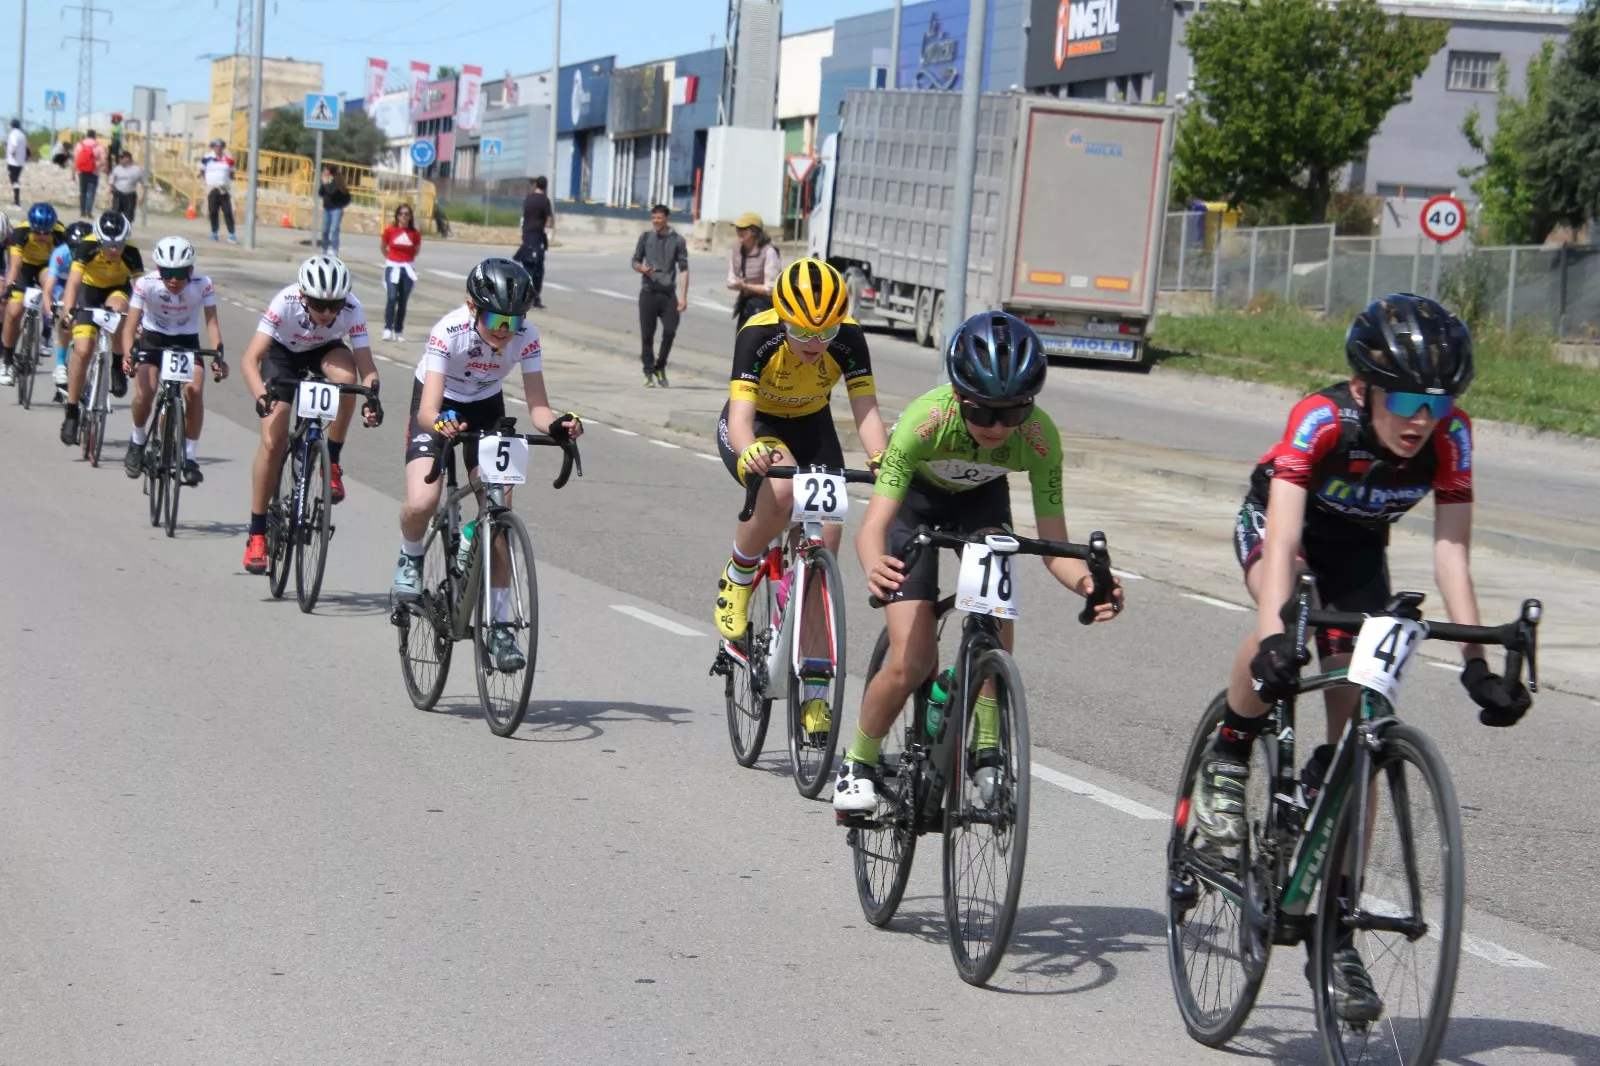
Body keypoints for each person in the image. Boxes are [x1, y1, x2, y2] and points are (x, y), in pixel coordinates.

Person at [1186, 293, 1533, 1023]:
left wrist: (1476, 666)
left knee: (1358, 746)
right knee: (1281, 625)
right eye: (1405, 398)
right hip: (1286, 534)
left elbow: (1451, 554)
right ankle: (1228, 753)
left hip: (1358, 556)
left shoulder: (1451, 437)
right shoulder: (1321, 419)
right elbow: (1279, 544)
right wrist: (1282, 635)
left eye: (1436, 404)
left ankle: (1333, 931)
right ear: (1364, 387)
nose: (1420, 419)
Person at [837, 310, 1124, 813]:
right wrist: (873, 563)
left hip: (981, 504)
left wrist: (1087, 583)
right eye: (984, 412)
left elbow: (1054, 545)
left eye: (1012, 414)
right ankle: (857, 763)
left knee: (998, 583)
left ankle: (986, 747)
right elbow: (874, 527)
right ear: (957, 399)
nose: (997, 427)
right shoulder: (923, 424)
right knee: (912, 659)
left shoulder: (1039, 439)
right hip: (916, 506)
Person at [712, 258, 890, 745]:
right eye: (801, 331)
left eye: (826, 332)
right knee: (784, 490)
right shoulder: (758, 334)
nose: (815, 345)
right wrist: (750, 450)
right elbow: (742, 417)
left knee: (825, 546)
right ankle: (741, 569)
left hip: (813, 427)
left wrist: (882, 461)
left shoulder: (850, 339)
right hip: (757, 425)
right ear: (782, 317)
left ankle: (814, 690)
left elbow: (866, 412)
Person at [390, 259, 583, 669]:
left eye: (513, 321)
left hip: (485, 406)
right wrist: (441, 422)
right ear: (472, 307)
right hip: (439, 402)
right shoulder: (449, 331)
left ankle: (500, 626)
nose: (503, 329)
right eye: (495, 318)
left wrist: (561, 425)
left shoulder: (526, 337)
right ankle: (410, 555)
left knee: (498, 509)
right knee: (423, 502)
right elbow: (427, 410)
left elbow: (538, 407)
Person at [237, 255, 382, 574]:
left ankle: (331, 459)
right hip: (281, 356)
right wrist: (262, 396)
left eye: (335, 305)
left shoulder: (352, 308)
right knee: (273, 443)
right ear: (303, 297)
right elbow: (250, 359)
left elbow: (367, 366)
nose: (328, 312)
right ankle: (257, 533)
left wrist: (373, 397)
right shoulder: (284, 303)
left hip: (324, 352)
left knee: (347, 381)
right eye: (319, 304)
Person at [122, 236, 228, 486]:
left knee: (194, 390)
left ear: (191, 270)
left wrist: (218, 355)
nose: (173, 280)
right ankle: (137, 440)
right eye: (167, 273)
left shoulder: (203, 284)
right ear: (158, 270)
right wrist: (129, 353)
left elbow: (212, 324)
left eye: (180, 274)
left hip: (186, 342)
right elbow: (129, 326)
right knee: (144, 394)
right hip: (152, 341)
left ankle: (189, 457)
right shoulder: (145, 284)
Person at [58, 211, 144, 445]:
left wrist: (142, 321)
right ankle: (72, 413)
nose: (114, 250)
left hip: (116, 290)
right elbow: (73, 282)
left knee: (121, 310)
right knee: (83, 351)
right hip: (89, 292)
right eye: (108, 244)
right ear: (99, 239)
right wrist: (68, 312)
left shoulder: (132, 253)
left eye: (118, 244)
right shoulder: (87, 247)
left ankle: (116, 364)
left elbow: (140, 290)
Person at [0, 203, 66, 387]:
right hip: (25, 268)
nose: (43, 236)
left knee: (50, 289)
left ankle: (47, 334)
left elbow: (63, 264)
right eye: (38, 232)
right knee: (14, 311)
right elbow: (14, 266)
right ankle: (7, 359)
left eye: (46, 232)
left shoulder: (60, 234)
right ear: (31, 227)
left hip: (48, 267)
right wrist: (8, 288)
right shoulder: (20, 233)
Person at [631, 204, 688, 387]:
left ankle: (660, 365)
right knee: (647, 335)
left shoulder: (678, 240)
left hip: (668, 294)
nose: (656, 221)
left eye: (659, 218)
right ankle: (648, 372)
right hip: (648, 292)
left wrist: (683, 296)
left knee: (670, 330)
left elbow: (684, 269)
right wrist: (641, 268)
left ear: (666, 219)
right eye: (654, 217)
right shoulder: (645, 237)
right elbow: (635, 261)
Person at [43, 220, 94, 397]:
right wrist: (50, 312)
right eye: (74, 249)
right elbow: (48, 288)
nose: (77, 253)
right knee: (67, 307)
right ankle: (60, 364)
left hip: (84, 285)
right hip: (62, 286)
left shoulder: (94, 255)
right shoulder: (60, 253)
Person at [727, 212, 779, 330]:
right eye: (737, 228)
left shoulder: (769, 251)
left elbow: (771, 288)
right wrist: (736, 284)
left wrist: (746, 286)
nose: (738, 231)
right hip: (745, 305)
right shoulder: (737, 250)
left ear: (754, 232)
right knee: (742, 345)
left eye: (743, 228)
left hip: (764, 308)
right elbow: (730, 280)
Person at [380, 203, 421, 342]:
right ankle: (387, 328)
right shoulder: (390, 231)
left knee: (403, 301)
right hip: (393, 267)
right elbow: (383, 246)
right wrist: (391, 259)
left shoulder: (414, 233)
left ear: (410, 217)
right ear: (397, 216)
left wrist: (406, 260)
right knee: (392, 297)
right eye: (401, 213)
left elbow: (416, 249)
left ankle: (398, 330)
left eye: (407, 214)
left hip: (407, 268)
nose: (404, 216)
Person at [514, 176, 553, 309]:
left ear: (536, 185)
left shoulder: (528, 199)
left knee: (530, 267)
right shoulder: (545, 201)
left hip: (526, 236)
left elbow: (524, 216)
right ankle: (522, 297)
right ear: (546, 186)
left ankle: (532, 298)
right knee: (535, 271)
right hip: (537, 238)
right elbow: (549, 221)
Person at [200, 140, 237, 244]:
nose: (218, 148)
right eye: (216, 146)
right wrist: (207, 180)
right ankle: (214, 232)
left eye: (220, 147)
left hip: (223, 188)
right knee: (212, 211)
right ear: (213, 147)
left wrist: (229, 182)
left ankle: (232, 234)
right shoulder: (207, 158)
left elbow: (232, 172)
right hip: (212, 187)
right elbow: (202, 170)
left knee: (228, 211)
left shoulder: (228, 158)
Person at [318, 167, 351, 254]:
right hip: (327, 209)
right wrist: (323, 184)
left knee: (334, 229)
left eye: (326, 172)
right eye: (323, 172)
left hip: (336, 208)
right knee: (325, 230)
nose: (324, 173)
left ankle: (334, 250)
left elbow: (331, 192)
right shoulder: (326, 181)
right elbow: (320, 193)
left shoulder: (336, 181)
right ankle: (324, 249)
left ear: (331, 173)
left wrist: (325, 183)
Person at [109, 151, 146, 227]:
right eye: (120, 158)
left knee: (128, 215)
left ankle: (126, 229)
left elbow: (144, 185)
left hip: (130, 194)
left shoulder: (137, 169)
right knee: (115, 214)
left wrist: (141, 197)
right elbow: (111, 182)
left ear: (128, 159)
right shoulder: (117, 169)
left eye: (122, 158)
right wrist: (110, 192)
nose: (120, 160)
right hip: (118, 194)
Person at [73, 130, 104, 217]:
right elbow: (103, 160)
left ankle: (82, 212)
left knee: (83, 192)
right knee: (91, 192)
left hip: (81, 171)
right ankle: (89, 212)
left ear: (86, 135)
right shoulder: (98, 146)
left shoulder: (79, 145)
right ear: (94, 136)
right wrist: (98, 167)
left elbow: (75, 159)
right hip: (94, 172)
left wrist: (73, 173)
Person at [5, 119, 27, 207]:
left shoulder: (13, 134)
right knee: (15, 179)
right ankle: (16, 201)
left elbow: (14, 144)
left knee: (14, 180)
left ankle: (16, 202)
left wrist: (12, 152)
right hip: (20, 162)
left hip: (13, 161)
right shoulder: (22, 135)